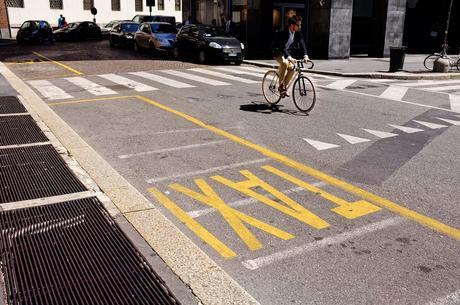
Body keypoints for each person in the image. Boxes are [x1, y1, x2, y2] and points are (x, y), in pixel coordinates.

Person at [272, 16, 309, 96]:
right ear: (292, 25)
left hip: (286, 53)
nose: (300, 27)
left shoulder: (298, 33)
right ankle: (280, 86)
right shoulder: (283, 33)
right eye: (298, 25)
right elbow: (282, 47)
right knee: (285, 63)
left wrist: (305, 55)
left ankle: (284, 87)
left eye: (300, 25)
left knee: (292, 67)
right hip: (278, 52)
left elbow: (302, 44)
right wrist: (289, 57)